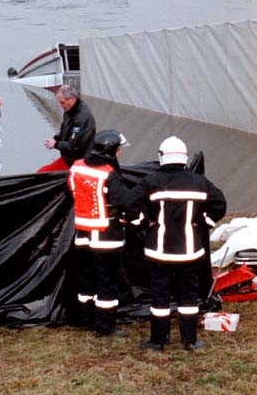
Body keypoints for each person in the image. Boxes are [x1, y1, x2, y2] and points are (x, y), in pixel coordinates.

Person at [126, 136, 227, 351]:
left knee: (160, 297)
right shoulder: (199, 182)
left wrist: (143, 223)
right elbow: (220, 203)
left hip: (159, 252)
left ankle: (158, 340)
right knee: (188, 295)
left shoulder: (151, 182)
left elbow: (129, 204)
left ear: (161, 157)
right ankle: (190, 340)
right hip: (189, 252)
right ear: (184, 157)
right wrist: (202, 224)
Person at [68, 129, 133, 336]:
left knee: (86, 277)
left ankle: (84, 319)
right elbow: (124, 201)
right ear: (110, 151)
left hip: (82, 233)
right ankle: (105, 327)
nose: (120, 153)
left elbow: (72, 190)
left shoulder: (76, 167)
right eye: (119, 150)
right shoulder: (109, 175)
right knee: (107, 281)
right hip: (106, 236)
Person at [38, 85, 96, 172]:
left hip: (77, 162)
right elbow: (65, 129)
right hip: (68, 158)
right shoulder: (69, 110)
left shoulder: (81, 118)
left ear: (72, 99)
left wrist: (55, 144)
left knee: (43, 175)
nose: (60, 106)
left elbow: (73, 145)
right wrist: (56, 138)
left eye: (62, 102)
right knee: (41, 172)